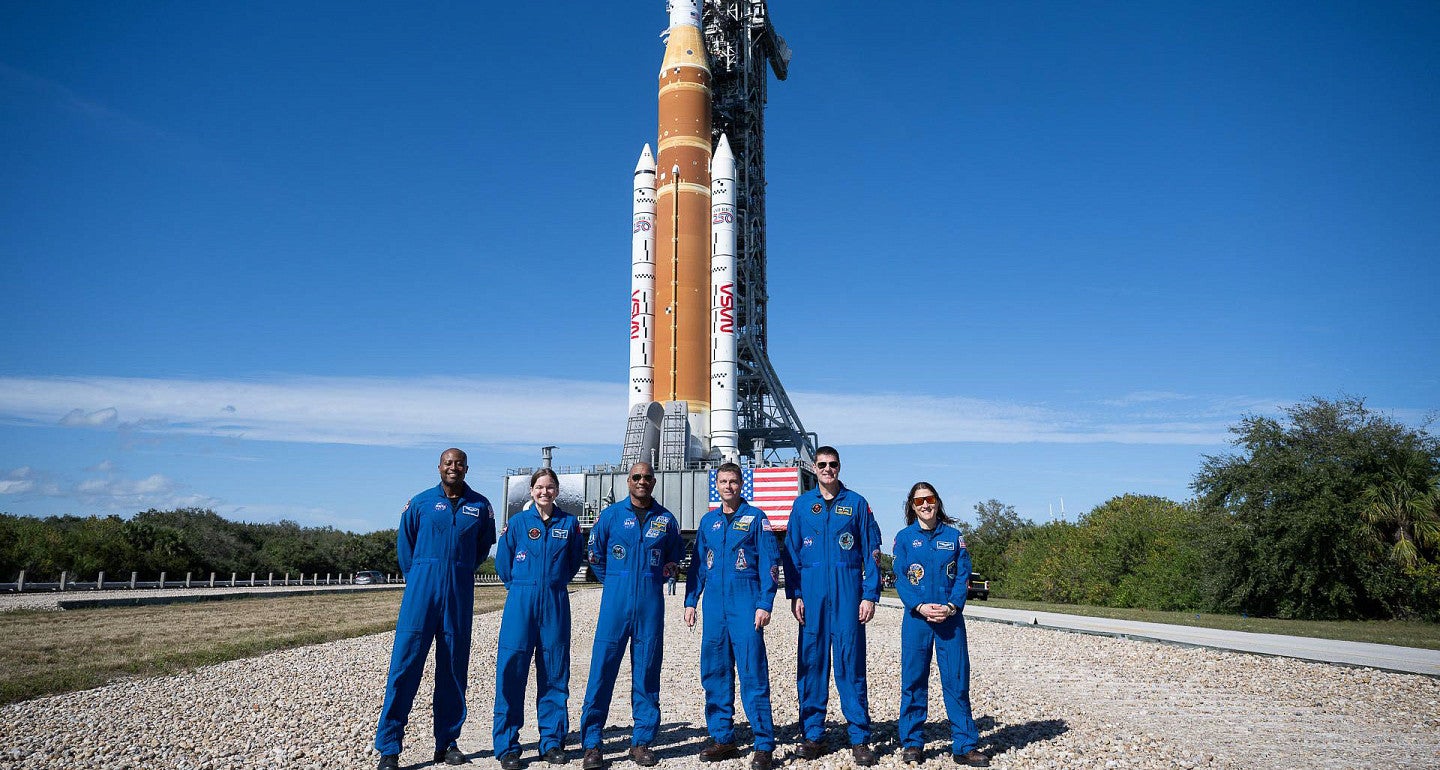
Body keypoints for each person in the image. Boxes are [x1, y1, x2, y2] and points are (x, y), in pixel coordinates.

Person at [375, 448, 497, 770]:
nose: (453, 468)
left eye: (459, 463)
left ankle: (447, 742)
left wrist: (458, 570)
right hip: (421, 593)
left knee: (454, 669)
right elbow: (406, 547)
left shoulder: (481, 506)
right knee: (404, 667)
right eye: (448, 463)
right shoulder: (420, 503)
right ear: (439, 467)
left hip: (458, 592)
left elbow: (483, 547)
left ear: (467, 468)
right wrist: (420, 578)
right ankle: (389, 747)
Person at [782, 446, 883, 766]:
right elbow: (791, 554)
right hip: (811, 596)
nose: (828, 469)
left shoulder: (856, 504)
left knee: (851, 664)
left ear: (839, 467)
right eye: (822, 464)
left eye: (833, 464)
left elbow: (872, 552)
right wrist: (796, 594)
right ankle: (812, 734)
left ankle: (859, 736)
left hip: (847, 594)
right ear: (814, 468)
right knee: (811, 664)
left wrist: (870, 595)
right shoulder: (802, 506)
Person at [579, 462, 683, 770]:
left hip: (650, 605)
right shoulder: (611, 516)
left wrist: (655, 579)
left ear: (654, 482)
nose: (642, 482)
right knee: (601, 671)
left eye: (647, 478)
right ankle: (592, 744)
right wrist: (615, 582)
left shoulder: (665, 520)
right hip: (615, 604)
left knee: (647, 672)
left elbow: (673, 558)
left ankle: (641, 742)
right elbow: (595, 555)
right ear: (629, 481)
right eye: (636, 477)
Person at [684, 463, 780, 770]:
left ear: (742, 485)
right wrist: (690, 601)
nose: (729, 486)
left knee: (752, 672)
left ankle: (763, 743)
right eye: (723, 482)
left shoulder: (755, 519)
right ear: (717, 485)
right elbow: (698, 566)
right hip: (714, 607)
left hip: (745, 603)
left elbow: (770, 563)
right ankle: (722, 737)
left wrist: (765, 603)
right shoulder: (708, 521)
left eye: (734, 482)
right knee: (714, 671)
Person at [493, 468, 586, 769]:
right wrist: (521, 586)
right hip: (521, 600)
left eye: (550, 487)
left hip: (555, 601)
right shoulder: (517, 523)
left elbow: (573, 561)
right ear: (531, 490)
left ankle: (552, 741)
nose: (544, 492)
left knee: (554, 672)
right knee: (511, 671)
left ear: (557, 491)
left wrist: (552, 583)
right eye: (539, 487)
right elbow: (504, 563)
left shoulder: (569, 524)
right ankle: (507, 745)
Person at [892, 483, 988, 767]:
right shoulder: (904, 538)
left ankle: (965, 744)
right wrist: (919, 606)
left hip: (949, 620)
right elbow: (900, 577)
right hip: (917, 620)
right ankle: (912, 742)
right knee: (913, 682)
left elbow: (963, 576)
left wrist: (951, 606)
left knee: (957, 681)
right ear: (912, 505)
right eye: (919, 500)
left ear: (937, 502)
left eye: (930, 499)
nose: (925, 504)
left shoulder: (954, 537)